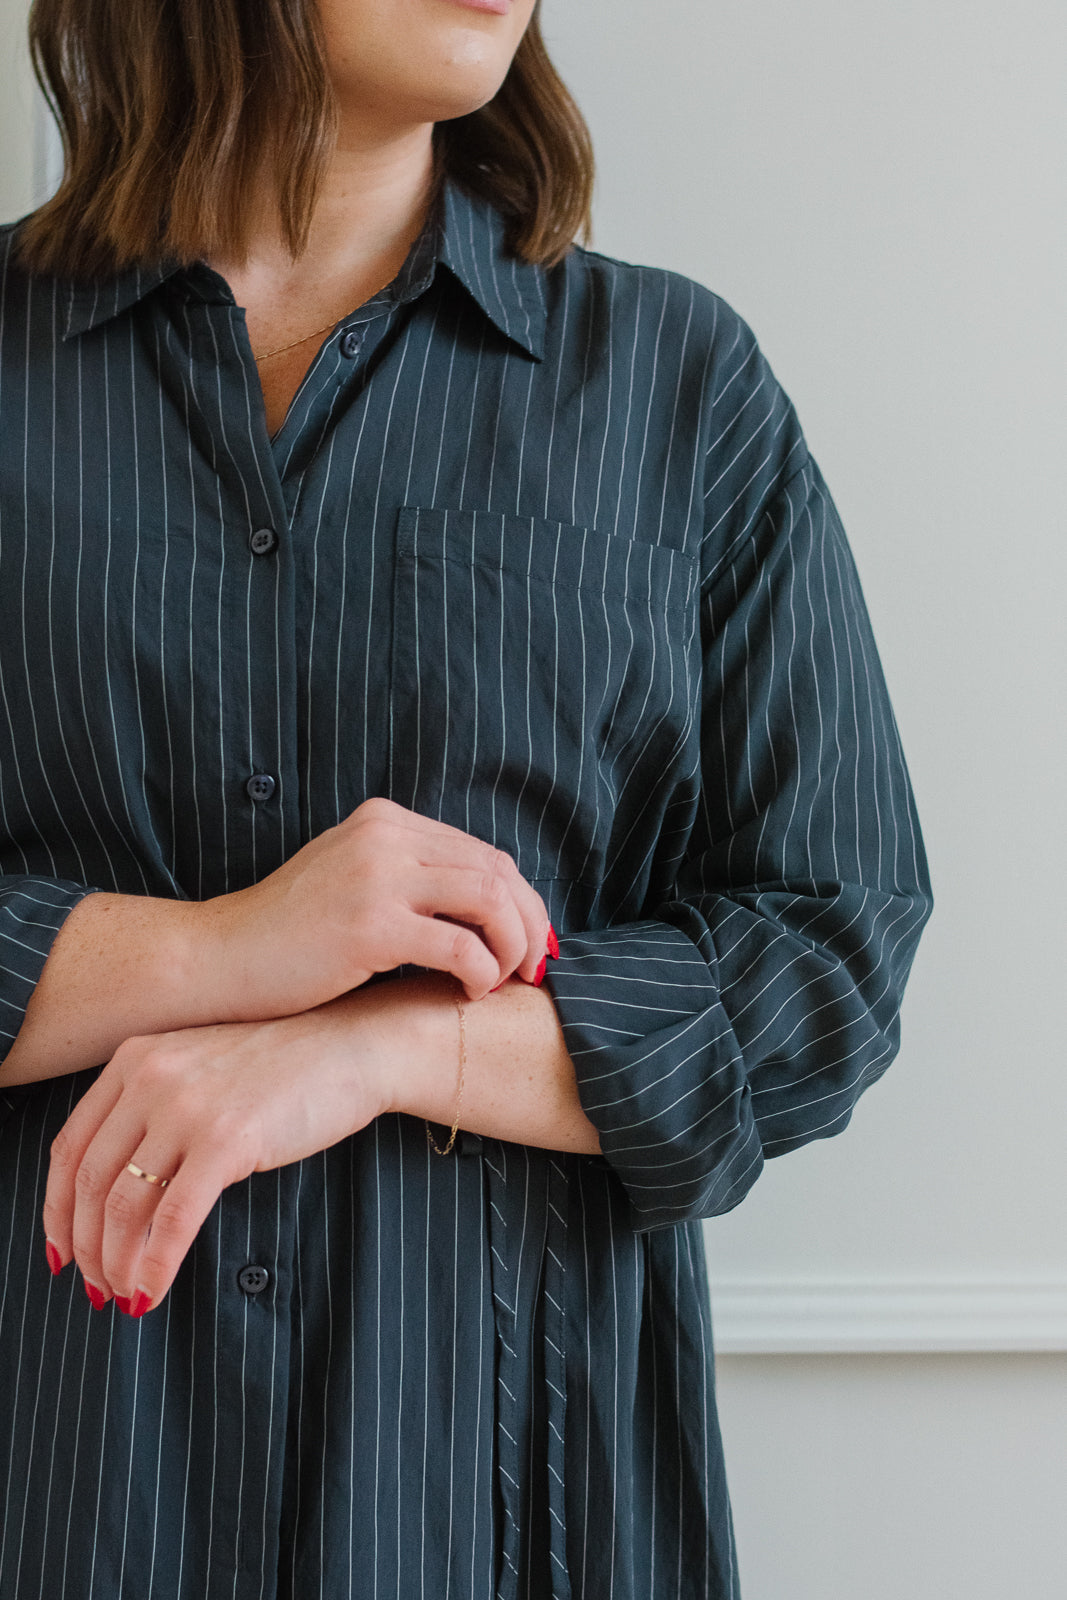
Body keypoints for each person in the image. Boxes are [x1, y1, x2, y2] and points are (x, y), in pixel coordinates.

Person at [0, 1, 932, 1595]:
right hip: (64, 1477)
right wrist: (232, 948)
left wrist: (381, 1047)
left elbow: (831, 956)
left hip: (510, 1503)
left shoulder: (678, 388)